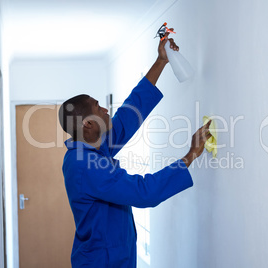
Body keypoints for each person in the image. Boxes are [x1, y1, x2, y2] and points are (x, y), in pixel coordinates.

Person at [58, 30, 212, 267]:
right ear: (88, 124)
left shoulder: (93, 148)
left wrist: (161, 61)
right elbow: (142, 192)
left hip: (114, 257)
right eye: (99, 108)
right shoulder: (84, 165)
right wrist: (190, 155)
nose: (105, 111)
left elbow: (127, 116)